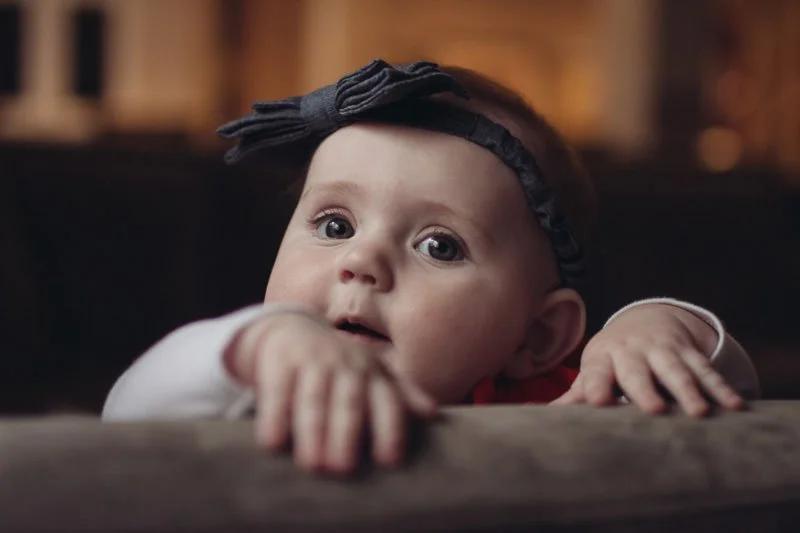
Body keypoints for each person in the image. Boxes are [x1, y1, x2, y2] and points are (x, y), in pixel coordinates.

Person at [102, 60, 759, 475]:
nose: (362, 261)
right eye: (335, 226)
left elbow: (727, 402)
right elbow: (126, 413)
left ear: (536, 339)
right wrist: (254, 345)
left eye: (439, 245)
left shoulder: (555, 404)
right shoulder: (259, 382)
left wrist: (664, 327)